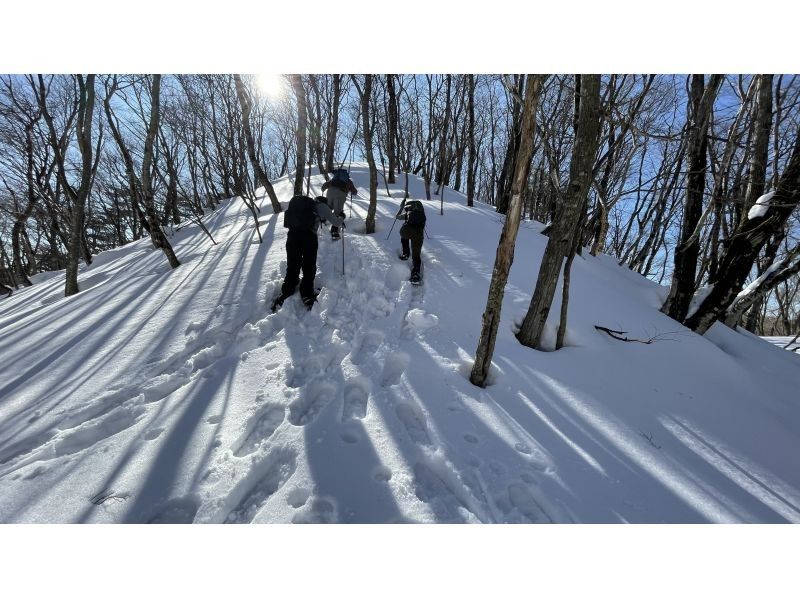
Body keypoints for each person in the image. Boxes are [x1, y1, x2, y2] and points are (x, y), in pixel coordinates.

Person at [272, 194, 344, 311]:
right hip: (308, 237)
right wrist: (342, 216)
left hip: (292, 235)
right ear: (324, 203)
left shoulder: (303, 205)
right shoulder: (323, 207)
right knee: (308, 266)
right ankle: (306, 294)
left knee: (293, 264)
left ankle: (287, 291)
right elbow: (336, 222)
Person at [321, 168, 357, 240]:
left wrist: (323, 189)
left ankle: (323, 220)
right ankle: (334, 232)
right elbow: (354, 192)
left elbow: (323, 186)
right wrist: (350, 189)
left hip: (330, 192)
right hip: (340, 194)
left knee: (328, 207)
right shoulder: (348, 181)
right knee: (338, 212)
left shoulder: (334, 180)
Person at [396, 199, 426, 284]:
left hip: (406, 231)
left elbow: (397, 216)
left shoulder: (408, 214)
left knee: (404, 237)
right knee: (416, 255)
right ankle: (415, 274)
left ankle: (406, 254)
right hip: (418, 234)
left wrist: (401, 207)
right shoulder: (422, 214)